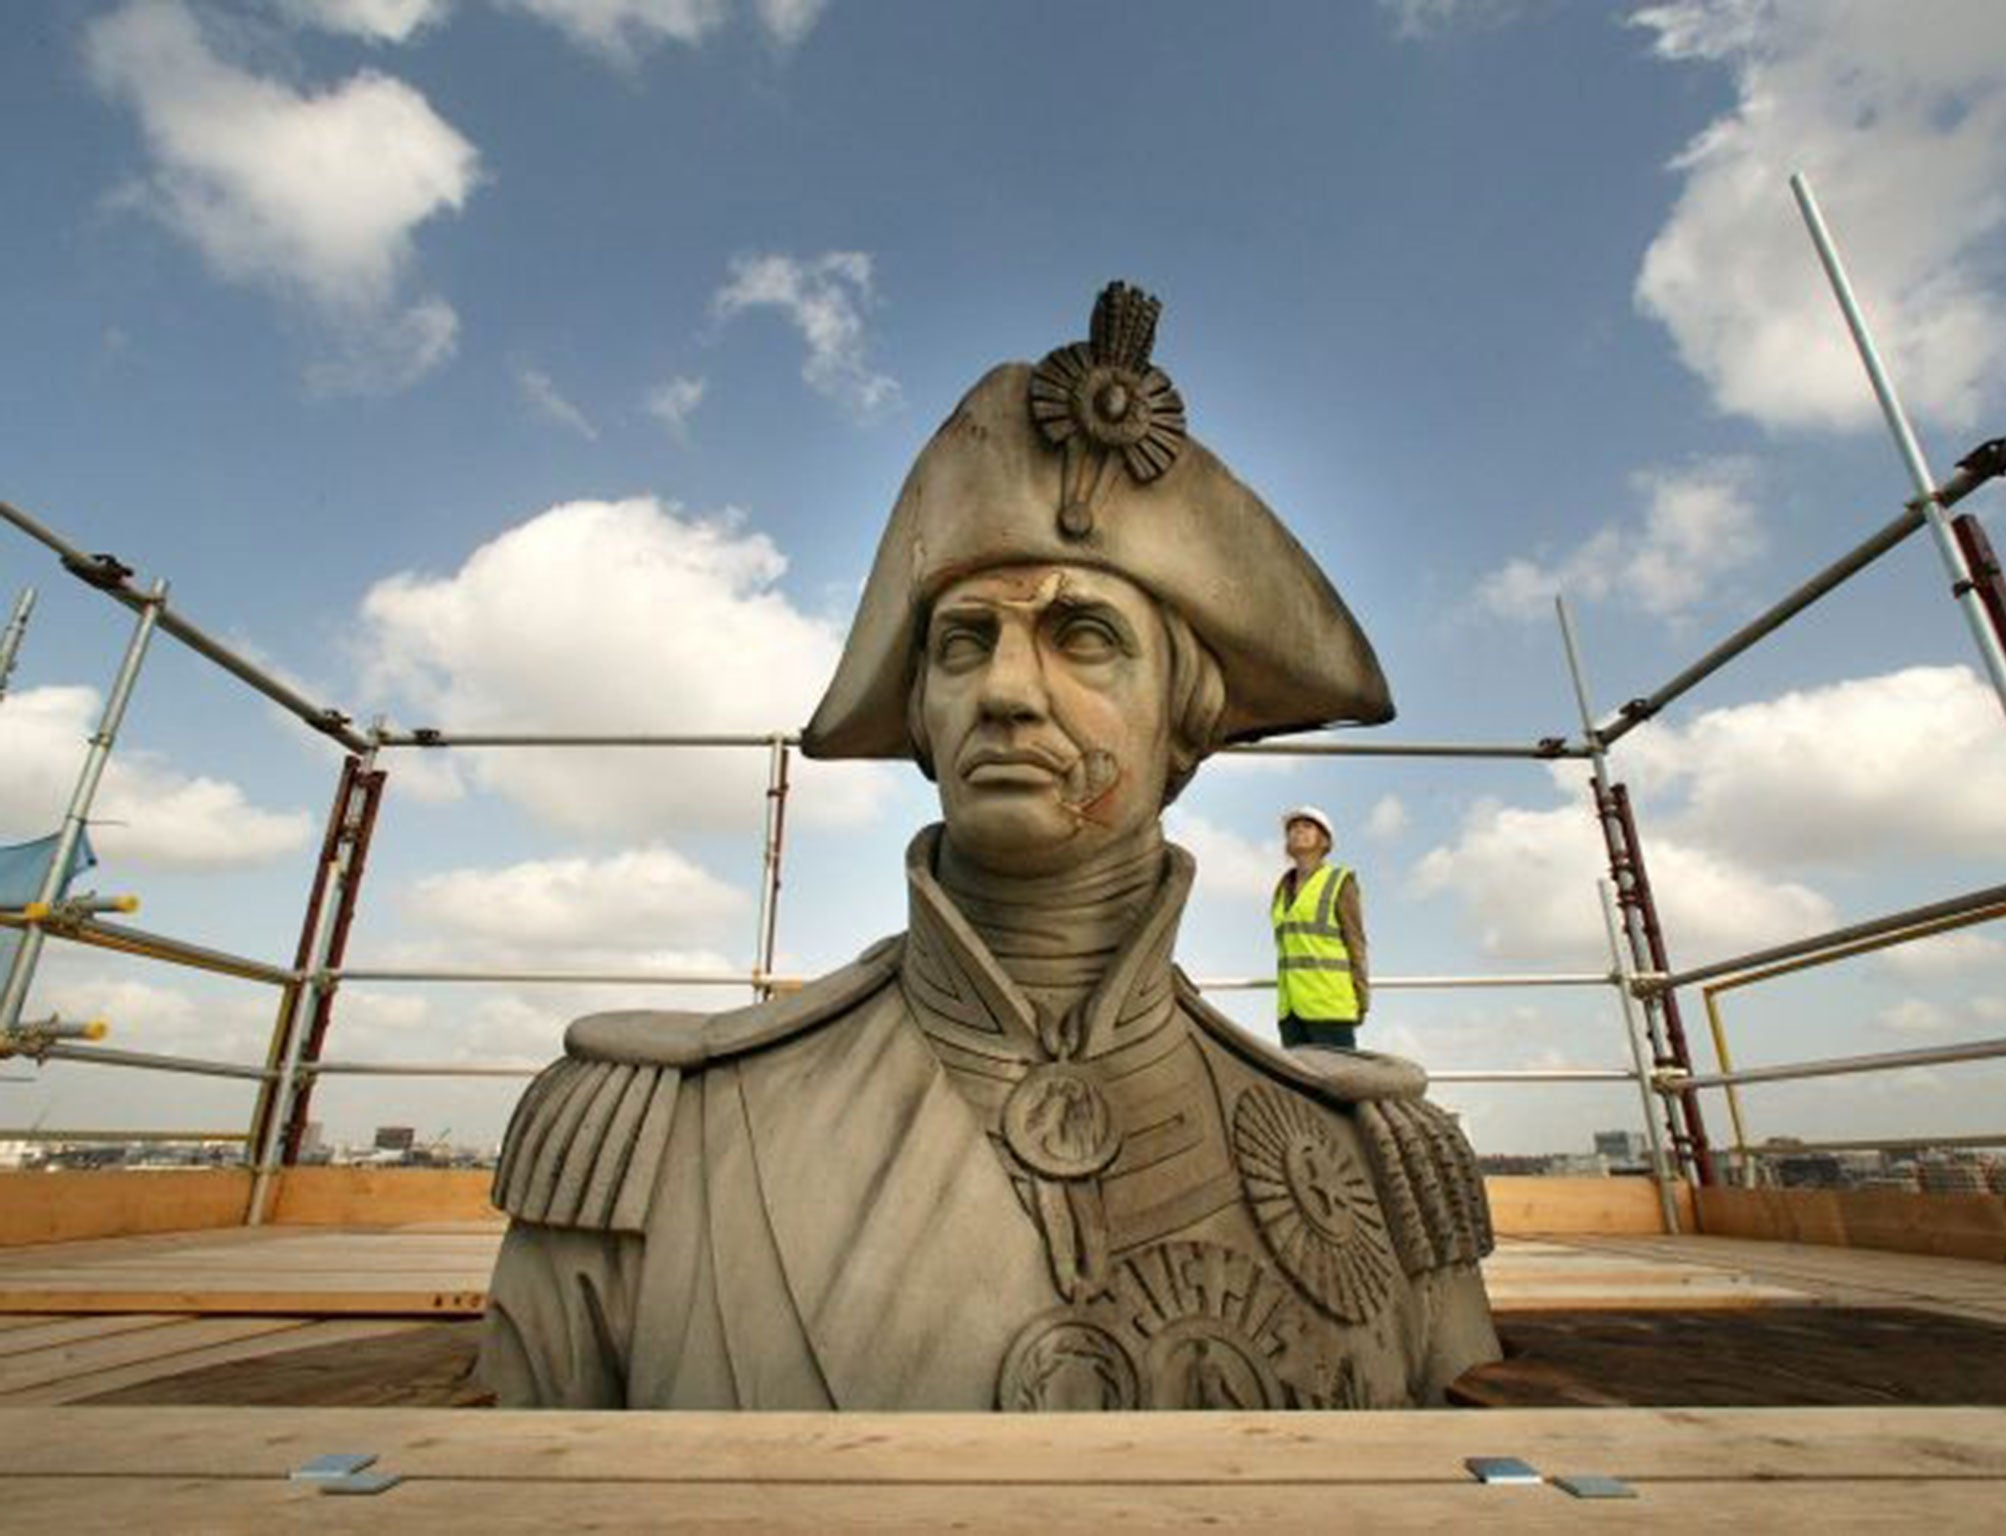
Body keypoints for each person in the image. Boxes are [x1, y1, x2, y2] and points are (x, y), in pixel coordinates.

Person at [479, 282, 1498, 1412]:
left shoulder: (1372, 1160)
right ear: (918, 710)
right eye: (965, 644)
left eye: (1083, 638)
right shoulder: (656, 1142)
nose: (1006, 691)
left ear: (1185, 720)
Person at [1273, 805, 1368, 1050]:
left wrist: (1361, 998)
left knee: (1340, 1086)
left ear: (1324, 840)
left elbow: (1355, 942)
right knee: (1295, 1087)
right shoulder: (1282, 889)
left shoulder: (1339, 881)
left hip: (1330, 1007)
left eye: (1307, 826)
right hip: (1290, 1012)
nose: (1297, 831)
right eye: (1292, 828)